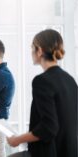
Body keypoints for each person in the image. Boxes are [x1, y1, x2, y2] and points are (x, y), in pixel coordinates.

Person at [7, 29, 78, 157]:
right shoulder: (70, 80)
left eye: (32, 48)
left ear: (39, 50)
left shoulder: (42, 81)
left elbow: (48, 128)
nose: (31, 52)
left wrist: (17, 140)